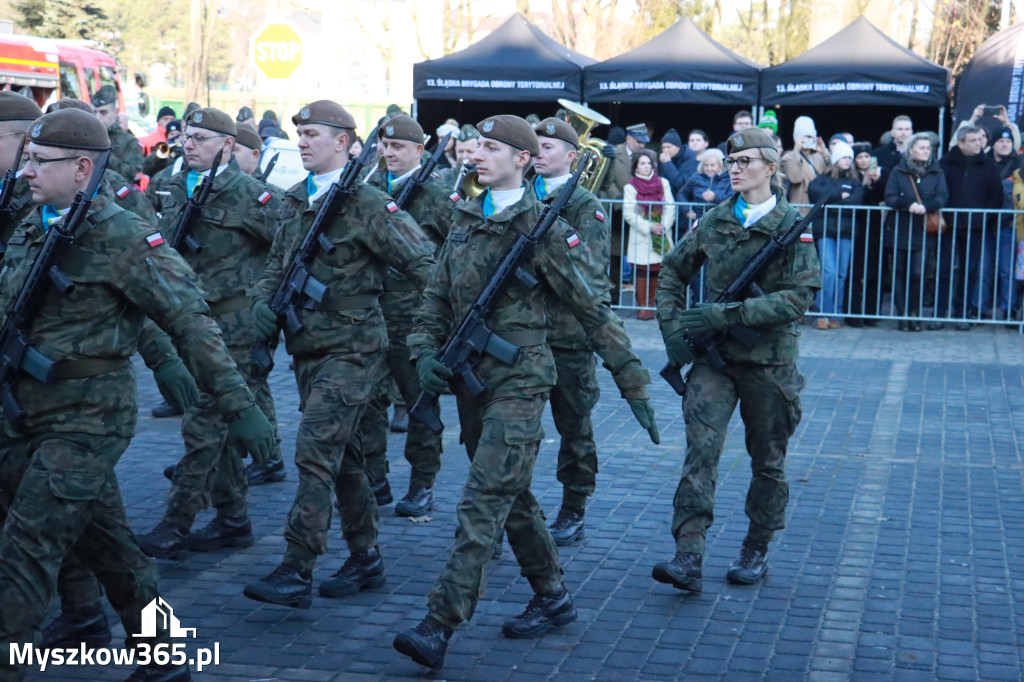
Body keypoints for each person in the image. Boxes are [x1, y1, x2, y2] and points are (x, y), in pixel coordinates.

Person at [0, 107, 276, 682]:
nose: (25, 171)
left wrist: (239, 405)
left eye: (38, 161)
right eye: (24, 158)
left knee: (24, 549)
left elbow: (189, 319)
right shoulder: (31, 222)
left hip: (88, 414)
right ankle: (164, 654)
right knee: (106, 543)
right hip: (23, 407)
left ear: (82, 168)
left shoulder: (123, 234)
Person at [392, 114, 657, 672]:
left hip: (522, 379)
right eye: (476, 146)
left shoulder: (544, 227)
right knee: (510, 492)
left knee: (483, 497)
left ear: (522, 159)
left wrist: (632, 382)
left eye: (492, 148)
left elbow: (591, 309)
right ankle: (553, 594)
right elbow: (434, 300)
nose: (478, 155)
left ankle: (440, 622)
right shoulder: (463, 217)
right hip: (471, 380)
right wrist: (423, 353)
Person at [243, 101, 436, 608]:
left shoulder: (369, 204)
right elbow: (276, 267)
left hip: (354, 349)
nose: (302, 141)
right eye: (299, 133)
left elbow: (426, 267)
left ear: (345, 143)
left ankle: (296, 566)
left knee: (313, 451)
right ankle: (366, 557)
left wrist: (429, 331)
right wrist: (262, 303)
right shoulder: (293, 201)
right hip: (307, 347)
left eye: (313, 134)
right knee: (346, 459)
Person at [653, 126, 820, 594]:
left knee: (767, 460)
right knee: (700, 454)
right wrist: (673, 332)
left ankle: (756, 546)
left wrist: (727, 312)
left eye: (746, 161)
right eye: (731, 162)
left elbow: (797, 299)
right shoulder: (714, 220)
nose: (735, 169)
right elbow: (671, 273)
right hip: (714, 359)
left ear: (771, 167)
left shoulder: (793, 227)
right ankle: (688, 553)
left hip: (770, 364)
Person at [134, 107, 286, 560]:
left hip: (232, 329)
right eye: (187, 137)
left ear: (227, 145)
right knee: (215, 425)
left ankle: (175, 523)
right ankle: (234, 519)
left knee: (203, 424)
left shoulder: (254, 198)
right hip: (189, 325)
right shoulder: (178, 189)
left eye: (200, 138)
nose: (188, 144)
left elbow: (289, 253)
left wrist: (265, 300)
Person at [361, 114, 451, 519]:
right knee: (367, 401)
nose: (388, 152)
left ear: (420, 151)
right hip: (368, 313)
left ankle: (422, 484)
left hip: (415, 320)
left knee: (420, 404)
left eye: (398, 147)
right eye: (384, 144)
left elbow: (456, 254)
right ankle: (374, 477)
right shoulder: (367, 189)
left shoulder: (437, 195)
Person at [531, 116, 612, 546]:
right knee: (514, 427)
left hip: (567, 339)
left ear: (571, 156)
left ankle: (573, 505)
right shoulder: (518, 196)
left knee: (573, 426)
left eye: (549, 146)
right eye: (536, 145)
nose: (539, 152)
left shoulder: (584, 206)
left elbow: (592, 276)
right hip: (521, 335)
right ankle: (509, 506)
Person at [937, 126, 1002, 328]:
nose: (978, 143)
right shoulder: (945, 163)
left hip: (975, 226)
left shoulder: (988, 164)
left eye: (979, 140)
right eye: (973, 140)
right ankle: (939, 314)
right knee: (944, 269)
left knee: (970, 271)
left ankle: (962, 313)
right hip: (948, 225)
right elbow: (937, 190)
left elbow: (996, 195)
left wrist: (984, 220)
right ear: (961, 143)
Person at [883, 132, 948, 331]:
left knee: (918, 273)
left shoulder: (937, 172)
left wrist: (926, 206)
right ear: (910, 149)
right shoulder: (898, 171)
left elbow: (942, 196)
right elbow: (890, 196)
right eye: (922, 148)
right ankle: (902, 315)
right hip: (900, 228)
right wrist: (907, 203)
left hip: (922, 230)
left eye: (928, 148)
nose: (926, 151)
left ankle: (914, 313)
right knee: (899, 273)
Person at [807, 140, 864, 329]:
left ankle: (836, 314)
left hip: (846, 231)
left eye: (850, 157)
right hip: (826, 230)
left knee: (841, 273)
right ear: (836, 158)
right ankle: (822, 312)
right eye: (844, 157)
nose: (848, 161)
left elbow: (857, 200)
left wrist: (832, 200)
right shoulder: (822, 179)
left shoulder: (855, 182)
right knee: (828, 272)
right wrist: (840, 196)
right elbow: (816, 195)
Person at [624, 148, 675, 319]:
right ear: (636, 167)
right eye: (642, 163)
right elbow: (629, 213)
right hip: (642, 234)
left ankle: (651, 305)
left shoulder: (663, 182)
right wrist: (649, 227)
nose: (647, 166)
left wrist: (663, 226)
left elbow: (670, 207)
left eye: (649, 163)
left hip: (661, 233)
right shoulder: (630, 187)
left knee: (657, 269)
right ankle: (642, 307)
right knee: (641, 270)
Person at [846, 142, 885, 326]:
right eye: (860, 157)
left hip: (874, 228)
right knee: (854, 271)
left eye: (866, 157)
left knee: (874, 270)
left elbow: (884, 195)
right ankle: (853, 314)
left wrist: (876, 182)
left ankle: (872, 313)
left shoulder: (878, 176)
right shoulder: (850, 177)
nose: (863, 160)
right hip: (854, 226)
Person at [91, 85, 144, 182]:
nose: (98, 117)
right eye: (95, 112)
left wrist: (105, 154)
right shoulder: (88, 137)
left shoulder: (130, 142)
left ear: (115, 112)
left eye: (103, 112)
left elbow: (131, 174)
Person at [780, 115, 828, 214]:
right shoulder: (788, 157)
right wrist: (796, 151)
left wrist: (825, 152)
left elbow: (832, 174)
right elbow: (795, 178)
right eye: (804, 137)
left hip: (818, 208)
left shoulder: (818, 157)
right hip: (800, 207)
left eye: (810, 137)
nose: (808, 140)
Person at [680, 148, 732, 225]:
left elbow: (733, 198)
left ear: (720, 165)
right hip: (700, 222)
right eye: (706, 165)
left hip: (722, 222)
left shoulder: (728, 178)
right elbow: (681, 194)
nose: (709, 168)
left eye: (712, 165)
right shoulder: (696, 177)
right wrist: (687, 211)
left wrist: (715, 197)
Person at [873, 115, 913, 186]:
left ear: (911, 132)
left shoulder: (919, 154)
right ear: (892, 132)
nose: (903, 132)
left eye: (907, 129)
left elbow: (921, 180)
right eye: (900, 129)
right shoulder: (877, 154)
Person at [657, 128, 696, 197]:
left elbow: (681, 184)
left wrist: (667, 164)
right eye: (663, 147)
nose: (665, 150)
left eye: (668, 147)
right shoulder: (665, 159)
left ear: (678, 147)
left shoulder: (691, 160)